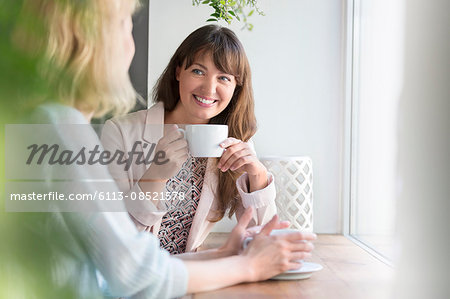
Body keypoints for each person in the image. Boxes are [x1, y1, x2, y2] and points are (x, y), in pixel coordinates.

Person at [12, 0, 316, 298]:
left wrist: (225, 252)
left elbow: (119, 264)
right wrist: (246, 267)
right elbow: (133, 272)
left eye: (224, 77)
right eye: (123, 26)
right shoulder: (62, 130)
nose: (131, 45)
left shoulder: (52, 123)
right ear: (87, 41)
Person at [101, 25, 277, 254]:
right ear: (178, 72)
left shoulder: (234, 143)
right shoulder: (120, 132)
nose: (209, 88)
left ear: (236, 87)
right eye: (198, 71)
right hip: (126, 283)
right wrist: (155, 175)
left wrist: (258, 177)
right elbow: (111, 236)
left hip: (189, 280)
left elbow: (265, 241)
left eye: (223, 78)